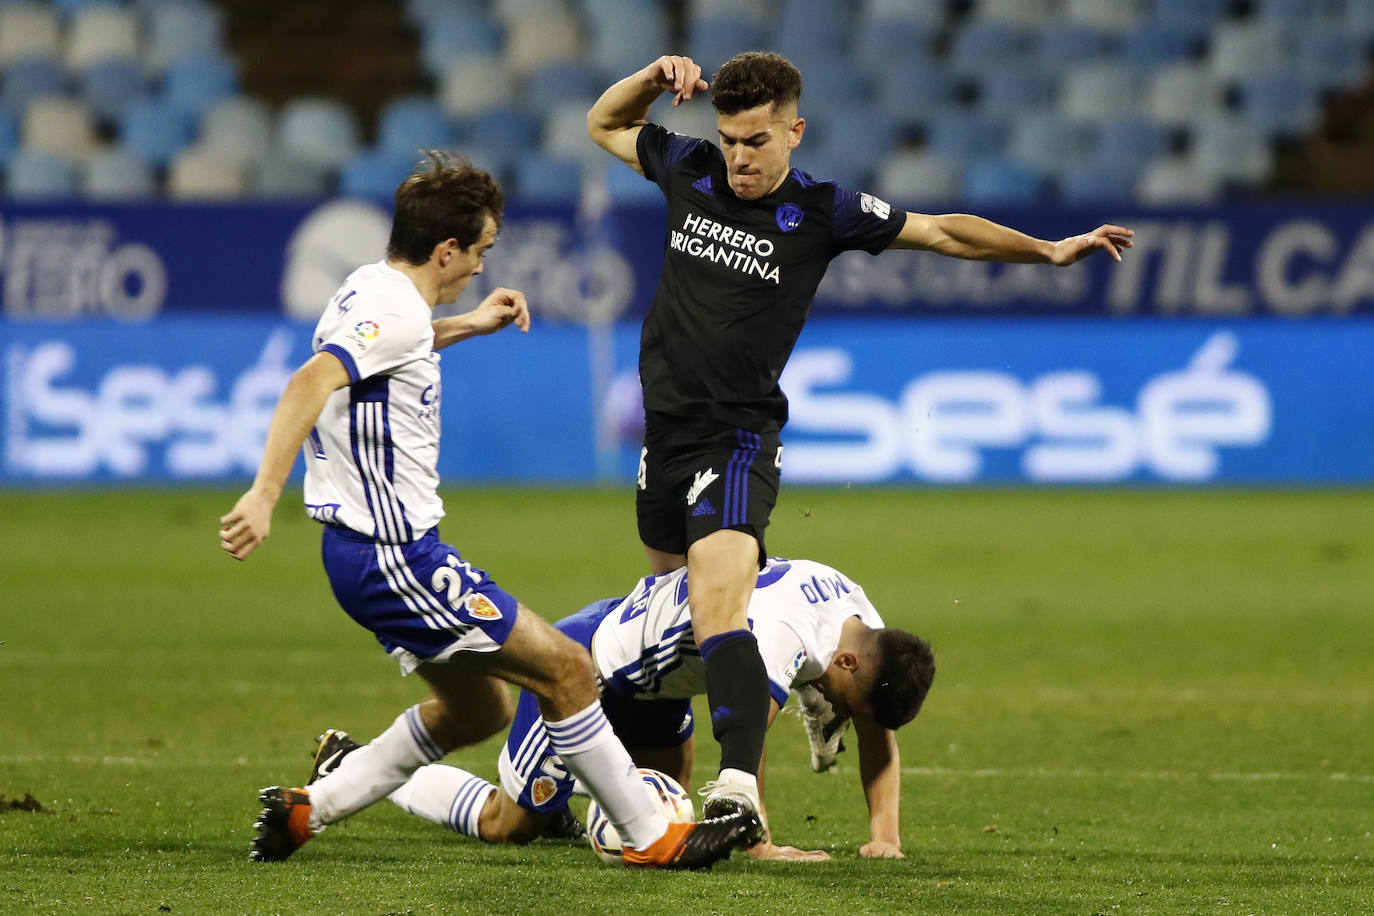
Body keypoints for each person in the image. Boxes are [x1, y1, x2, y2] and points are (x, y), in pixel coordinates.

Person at [585, 51, 1133, 832]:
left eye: (758, 140)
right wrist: (648, 77)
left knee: (717, 611)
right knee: (674, 631)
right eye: (731, 139)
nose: (740, 156)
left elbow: (944, 233)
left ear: (794, 133)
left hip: (737, 438)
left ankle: (737, 797)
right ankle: (736, 747)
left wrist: (1046, 251)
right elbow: (603, 122)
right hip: (664, 436)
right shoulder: (687, 166)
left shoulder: (824, 211)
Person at [217, 151, 758, 869]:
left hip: (362, 556)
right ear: (447, 249)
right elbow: (309, 381)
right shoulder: (395, 311)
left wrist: (469, 324)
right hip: (394, 555)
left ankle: (310, 811)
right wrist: (262, 494)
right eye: (481, 250)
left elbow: (391, 348)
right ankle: (652, 835)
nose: (481, 265)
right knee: (569, 671)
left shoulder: (370, 289)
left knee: (479, 712)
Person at [311, 557, 935, 861]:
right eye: (844, 702)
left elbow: (879, 728)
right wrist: (758, 843)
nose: (837, 711)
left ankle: (565, 806)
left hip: (660, 686)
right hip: (592, 669)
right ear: (848, 664)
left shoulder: (863, 625)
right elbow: (748, 732)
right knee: (510, 825)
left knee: (666, 817)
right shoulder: (785, 631)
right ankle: (354, 765)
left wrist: (885, 838)